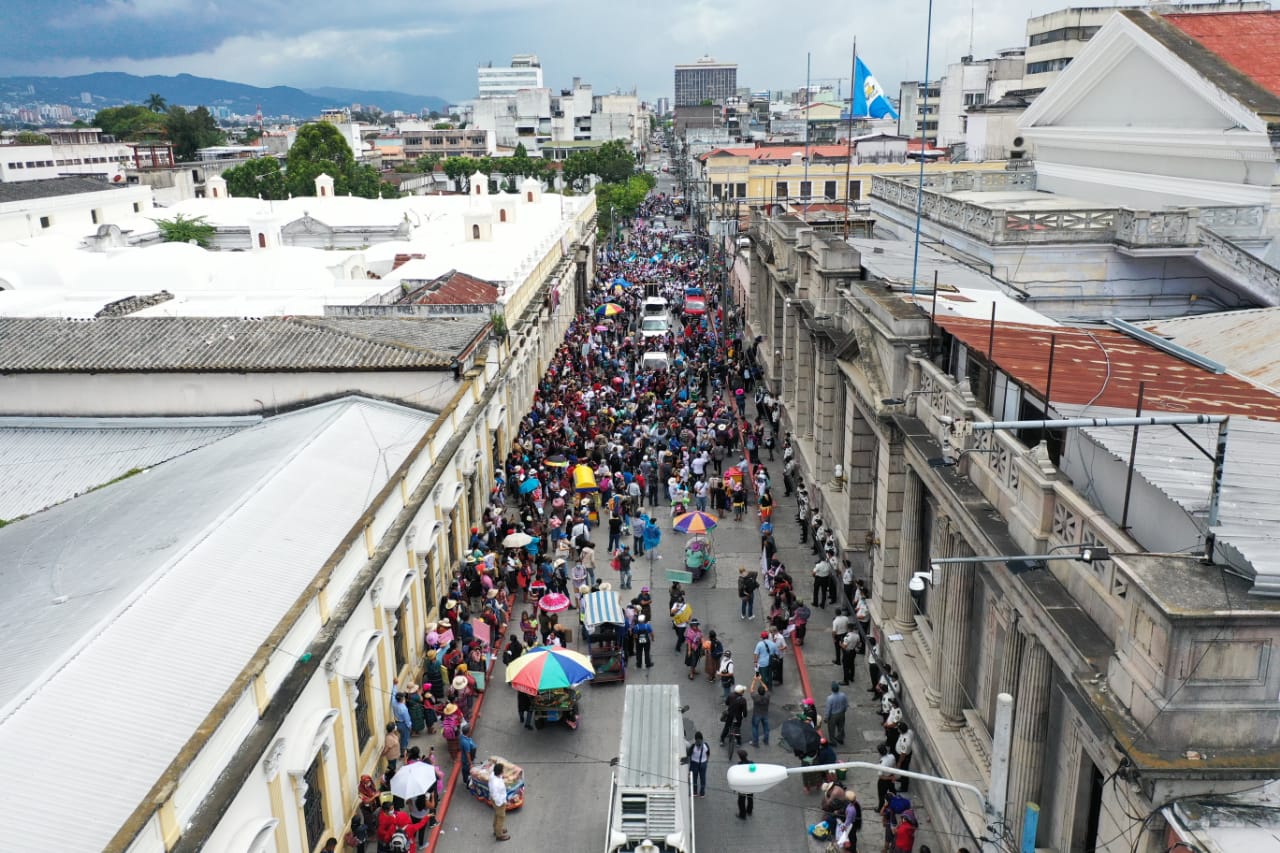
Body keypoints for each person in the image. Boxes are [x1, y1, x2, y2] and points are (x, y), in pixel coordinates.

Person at [489, 761, 511, 841]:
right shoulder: (496, 783)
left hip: (497, 801)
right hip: (499, 802)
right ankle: (499, 835)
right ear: (500, 772)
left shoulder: (493, 775)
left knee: (497, 815)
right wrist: (502, 802)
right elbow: (496, 796)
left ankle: (496, 830)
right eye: (502, 770)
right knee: (501, 817)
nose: (503, 771)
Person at [686, 731, 710, 797]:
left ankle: (696, 792)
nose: (698, 741)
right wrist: (706, 761)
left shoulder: (694, 746)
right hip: (700, 764)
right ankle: (700, 793)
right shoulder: (705, 745)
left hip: (696, 764)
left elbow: (689, 755)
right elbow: (708, 754)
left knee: (696, 779)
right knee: (700, 779)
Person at [825, 682, 849, 746]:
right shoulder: (843, 695)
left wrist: (826, 718)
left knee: (831, 728)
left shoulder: (830, 698)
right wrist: (844, 711)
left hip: (833, 715)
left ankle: (833, 741)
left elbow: (828, 709)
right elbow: (846, 704)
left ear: (832, 689)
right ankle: (840, 738)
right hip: (841, 713)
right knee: (841, 726)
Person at [749, 675, 771, 747]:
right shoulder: (767, 696)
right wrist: (760, 680)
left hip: (757, 714)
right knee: (766, 728)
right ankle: (766, 740)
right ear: (764, 691)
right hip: (765, 714)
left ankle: (755, 742)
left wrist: (755, 680)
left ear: (758, 692)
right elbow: (766, 688)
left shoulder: (755, 697)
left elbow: (751, 689)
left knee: (755, 728)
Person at [735, 748, 754, 819]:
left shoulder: (739, 765)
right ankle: (749, 811)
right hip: (751, 784)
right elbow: (754, 772)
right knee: (750, 798)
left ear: (740, 757)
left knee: (741, 801)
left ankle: (742, 814)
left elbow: (737, 777)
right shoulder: (751, 763)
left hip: (743, 785)